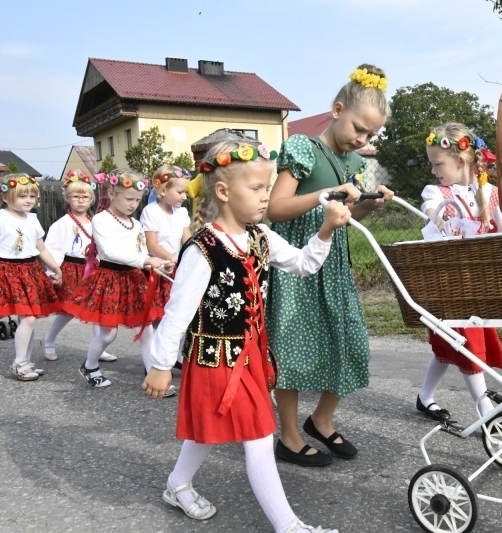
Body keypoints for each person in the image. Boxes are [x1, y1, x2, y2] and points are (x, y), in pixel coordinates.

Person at [142, 141, 351, 533]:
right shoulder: (202, 249)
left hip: (251, 355)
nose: (266, 196)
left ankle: (177, 484)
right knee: (257, 436)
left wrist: (325, 230)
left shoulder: (262, 237)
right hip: (215, 359)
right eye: (256, 189)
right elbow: (177, 312)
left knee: (210, 431)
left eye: (266, 188)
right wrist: (159, 364)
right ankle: (288, 526)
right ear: (223, 192)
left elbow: (304, 264)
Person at [266, 64, 394, 467]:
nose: (362, 139)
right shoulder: (304, 150)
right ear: (338, 110)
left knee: (349, 342)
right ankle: (287, 437)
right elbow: (276, 209)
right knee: (289, 353)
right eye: (359, 128)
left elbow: (349, 219)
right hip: (295, 267)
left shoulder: (353, 164)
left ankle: (320, 419)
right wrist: (326, 193)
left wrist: (369, 205)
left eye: (371, 135)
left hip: (334, 265)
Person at [416, 123, 502, 421]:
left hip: (479, 281)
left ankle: (425, 397)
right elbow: (432, 210)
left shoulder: (491, 193)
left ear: (461, 161)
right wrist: (441, 219)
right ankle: (486, 411)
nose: (434, 170)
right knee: (466, 341)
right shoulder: (438, 192)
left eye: (438, 164)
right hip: (449, 282)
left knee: (447, 344)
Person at [63, 169, 165, 388]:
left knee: (146, 328)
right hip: (110, 280)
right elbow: (109, 252)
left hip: (133, 279)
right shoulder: (100, 220)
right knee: (108, 335)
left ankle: (150, 374)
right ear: (111, 193)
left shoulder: (136, 224)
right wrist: (146, 260)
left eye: (137, 200)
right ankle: (90, 365)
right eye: (129, 199)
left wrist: (152, 261)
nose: (133, 204)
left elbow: (139, 249)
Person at [0, 173, 62, 381]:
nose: (28, 200)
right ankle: (19, 363)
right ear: (5, 197)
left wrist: (56, 269)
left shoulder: (32, 219)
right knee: (28, 318)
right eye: (22, 196)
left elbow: (41, 248)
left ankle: (26, 362)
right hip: (9, 272)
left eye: (32, 196)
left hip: (31, 271)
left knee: (29, 319)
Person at [41, 169, 117, 363]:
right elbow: (53, 249)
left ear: (92, 198)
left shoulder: (97, 221)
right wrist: (54, 272)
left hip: (94, 269)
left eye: (85, 196)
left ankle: (98, 346)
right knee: (68, 310)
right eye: (76, 196)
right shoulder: (62, 224)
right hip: (71, 270)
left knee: (96, 309)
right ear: (67, 198)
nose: (81, 200)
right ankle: (48, 340)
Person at [140, 165, 192, 326]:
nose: (184, 197)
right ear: (163, 191)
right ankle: (157, 348)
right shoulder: (151, 212)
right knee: (160, 316)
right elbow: (152, 244)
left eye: (186, 192)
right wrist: (170, 257)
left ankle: (176, 350)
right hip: (158, 268)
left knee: (179, 313)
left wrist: (192, 255)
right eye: (180, 192)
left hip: (176, 265)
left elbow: (187, 239)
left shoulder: (181, 213)